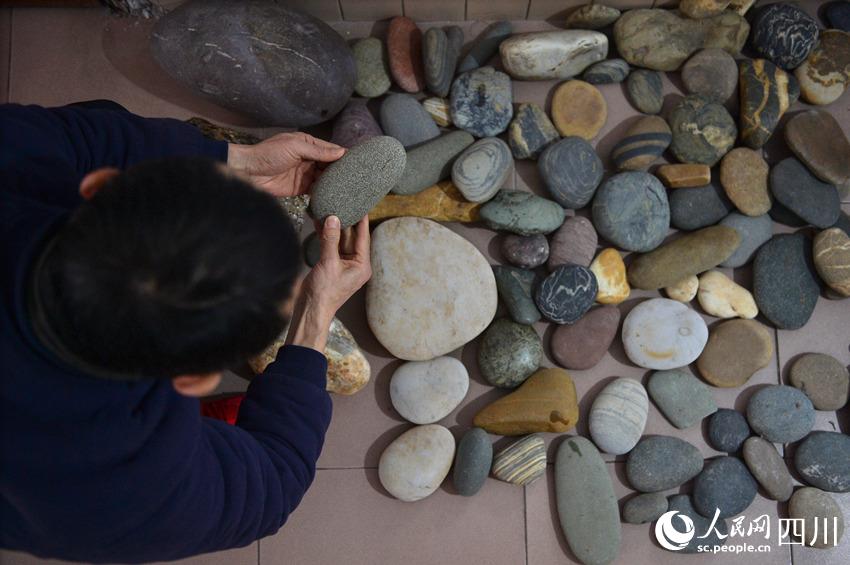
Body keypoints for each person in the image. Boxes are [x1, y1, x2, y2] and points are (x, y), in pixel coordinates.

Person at [0, 102, 371, 563]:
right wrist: (315, 313)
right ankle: (201, 439)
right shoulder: (126, 494)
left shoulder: (15, 157)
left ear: (102, 187)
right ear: (192, 380)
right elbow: (272, 487)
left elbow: (85, 135)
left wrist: (237, 163)